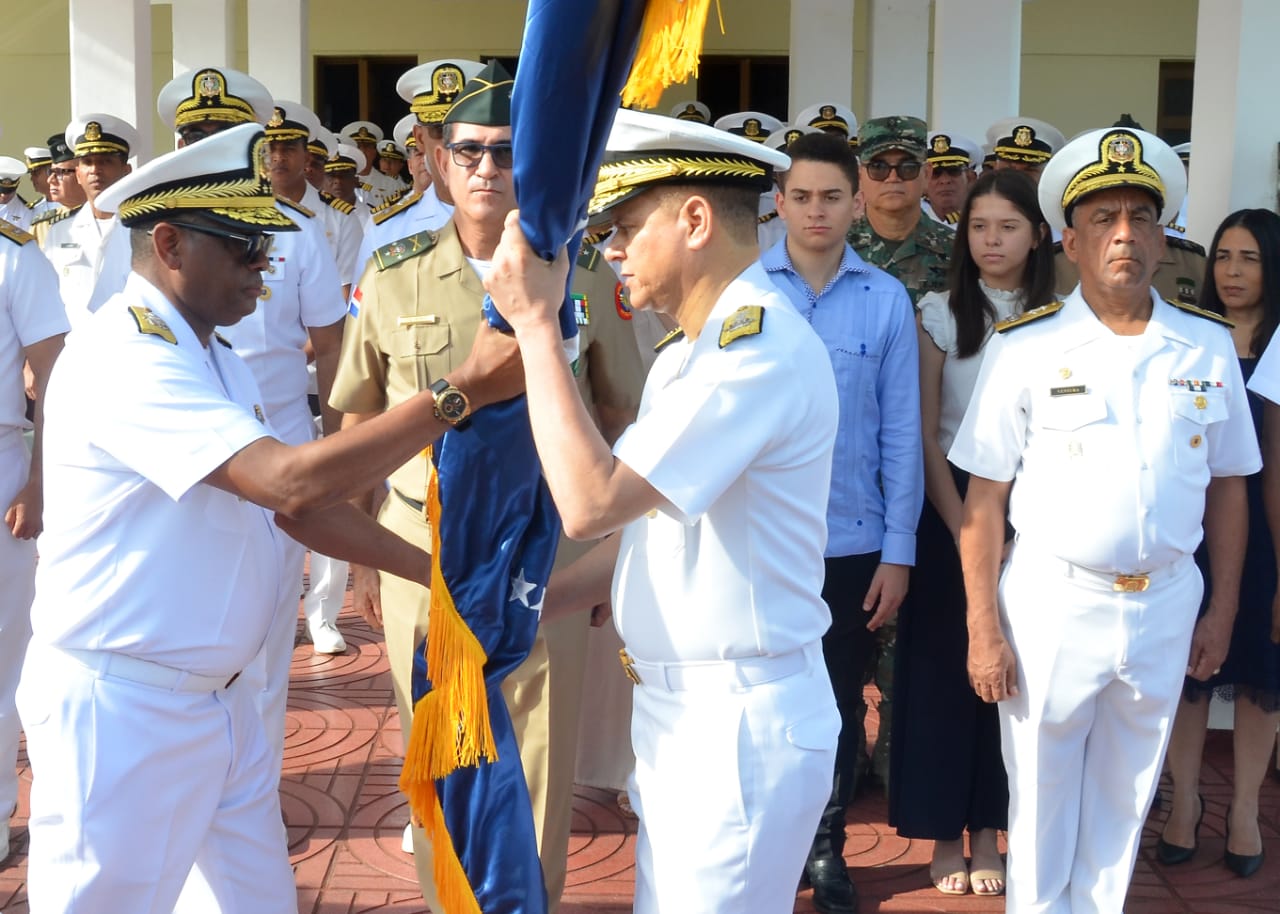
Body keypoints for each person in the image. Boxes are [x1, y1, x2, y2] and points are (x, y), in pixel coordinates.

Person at [15, 121, 522, 914]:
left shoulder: (208, 351)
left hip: (220, 700)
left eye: (267, 247)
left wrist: (435, 576)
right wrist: (459, 394)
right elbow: (285, 481)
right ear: (173, 245)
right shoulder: (128, 353)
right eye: (246, 249)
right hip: (126, 712)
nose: (266, 268)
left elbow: (299, 512)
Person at [486, 106, 840, 914]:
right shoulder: (694, 351)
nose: (608, 250)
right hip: (691, 716)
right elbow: (648, 536)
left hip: (734, 722)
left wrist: (538, 327)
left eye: (623, 226)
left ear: (694, 218)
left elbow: (589, 502)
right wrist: (524, 607)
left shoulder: (755, 351)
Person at [331, 61, 644, 910]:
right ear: (436, 159)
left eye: (508, 154)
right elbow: (356, 423)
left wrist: (614, 549)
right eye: (467, 151)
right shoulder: (392, 277)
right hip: (420, 553)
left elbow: (622, 416)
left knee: (539, 749)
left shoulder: (581, 279)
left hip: (545, 547)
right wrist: (363, 556)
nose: (485, 170)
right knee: (439, 746)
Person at [950, 126, 1260, 914]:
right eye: (1102, 219)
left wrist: (1221, 609)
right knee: (1042, 795)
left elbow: (1229, 486)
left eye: (1139, 218)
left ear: (1162, 238)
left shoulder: (1206, 348)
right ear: (1070, 240)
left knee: (1126, 798)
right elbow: (984, 501)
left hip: (1165, 601)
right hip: (1055, 602)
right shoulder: (1024, 348)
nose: (1123, 234)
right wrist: (983, 627)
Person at [760, 131, 922, 914]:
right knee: (761, 699)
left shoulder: (884, 299)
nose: (816, 211)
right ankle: (769, 844)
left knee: (831, 703)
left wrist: (899, 550)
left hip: (852, 544)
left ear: (856, 203)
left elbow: (900, 434)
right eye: (802, 196)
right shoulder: (745, 292)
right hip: (759, 545)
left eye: (832, 197)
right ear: (779, 203)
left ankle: (824, 848)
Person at [892, 167, 1055, 898]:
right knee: (940, 673)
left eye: (1008, 227)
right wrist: (966, 531)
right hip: (950, 503)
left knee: (1013, 672)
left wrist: (1016, 530)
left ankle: (990, 829)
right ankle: (938, 832)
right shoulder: (934, 311)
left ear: (1039, 235)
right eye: (979, 226)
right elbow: (926, 433)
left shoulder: (1062, 315)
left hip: (1039, 507)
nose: (992, 240)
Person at [1160, 208, 1280, 879]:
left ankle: (1241, 811)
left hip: (1267, 530)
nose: (1232, 272)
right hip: (1189, 525)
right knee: (1189, 672)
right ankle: (1183, 802)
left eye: (1250, 259)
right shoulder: (1190, 336)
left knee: (1263, 676)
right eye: (1224, 258)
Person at [0, 216, 66, 864]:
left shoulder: (14, 256)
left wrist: (40, 479)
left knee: (1, 654)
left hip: (0, 465)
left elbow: (53, 376)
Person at [40, 114, 137, 329]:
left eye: (106, 161)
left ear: (126, 171)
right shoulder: (60, 232)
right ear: (78, 173)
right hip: (74, 351)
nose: (95, 170)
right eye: (87, 162)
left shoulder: (145, 229)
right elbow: (46, 302)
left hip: (130, 350)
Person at [847, 115, 953, 306]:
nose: (893, 177)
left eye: (908, 167)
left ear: (926, 174)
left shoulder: (957, 252)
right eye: (878, 167)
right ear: (859, 176)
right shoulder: (835, 249)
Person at [922, 131, 979, 227]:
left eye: (954, 171)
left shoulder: (985, 219)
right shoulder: (909, 222)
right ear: (923, 181)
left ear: (970, 178)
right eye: (935, 173)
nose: (945, 180)